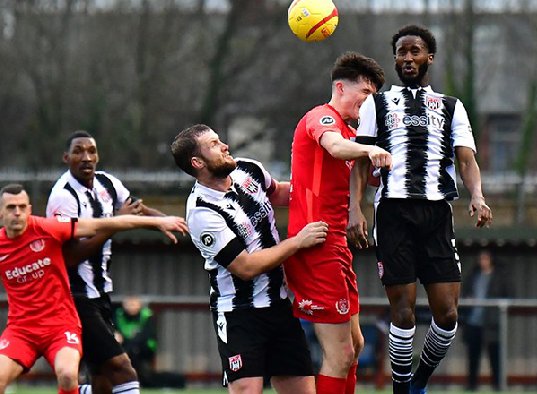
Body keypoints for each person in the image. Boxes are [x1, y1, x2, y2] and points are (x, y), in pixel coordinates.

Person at [347, 25, 493, 394]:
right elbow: (361, 162)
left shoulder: (450, 106)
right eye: (401, 52)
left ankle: (418, 381)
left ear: (429, 57)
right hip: (394, 212)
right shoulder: (375, 105)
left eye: (415, 51)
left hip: (437, 213)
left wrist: (477, 194)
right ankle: (401, 389)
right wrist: (356, 209)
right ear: (394, 59)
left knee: (447, 315)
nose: (408, 58)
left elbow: (466, 160)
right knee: (404, 312)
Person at [170, 124, 328, 394]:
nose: (225, 146)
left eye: (220, 140)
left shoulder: (247, 169)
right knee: (247, 389)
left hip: (279, 305)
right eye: (214, 145)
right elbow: (245, 267)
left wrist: (326, 189)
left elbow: (279, 192)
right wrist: (297, 242)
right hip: (239, 314)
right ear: (197, 162)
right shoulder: (201, 211)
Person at [0, 183, 187, 394]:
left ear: (30, 209)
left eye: (22, 207)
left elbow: (101, 225)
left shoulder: (48, 228)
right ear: (1, 212)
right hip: (22, 329)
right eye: (11, 207)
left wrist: (157, 221)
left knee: (69, 375)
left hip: (60, 326)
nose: (17, 212)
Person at [285, 51, 391, 394]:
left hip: (337, 247)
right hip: (315, 245)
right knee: (341, 353)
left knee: (356, 346)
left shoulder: (353, 132)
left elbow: (363, 173)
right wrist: (367, 151)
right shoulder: (322, 118)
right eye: (366, 94)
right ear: (341, 87)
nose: (369, 102)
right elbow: (334, 147)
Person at [46, 130, 166, 394]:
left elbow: (138, 210)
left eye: (92, 151)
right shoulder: (63, 197)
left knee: (103, 382)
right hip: (74, 296)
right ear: (66, 158)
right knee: (124, 369)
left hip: (100, 293)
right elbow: (69, 257)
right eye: (78, 151)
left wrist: (167, 222)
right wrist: (115, 224)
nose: (86, 157)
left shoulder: (108, 184)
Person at [462, 249, 513, 391]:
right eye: (481, 259)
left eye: (485, 259)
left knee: (495, 357)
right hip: (473, 322)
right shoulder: (473, 276)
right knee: (473, 357)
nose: (482, 262)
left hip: (492, 324)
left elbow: (509, 295)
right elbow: (464, 292)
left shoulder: (500, 276)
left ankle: (498, 385)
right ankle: (471, 386)